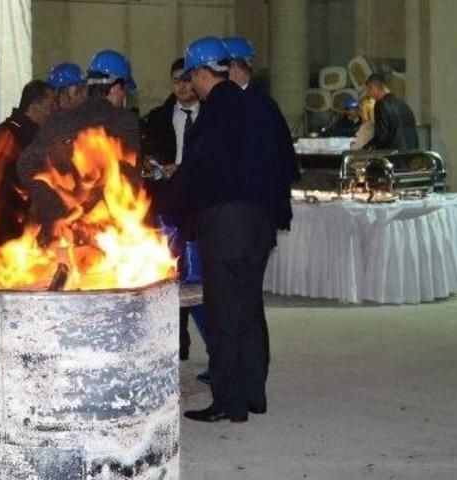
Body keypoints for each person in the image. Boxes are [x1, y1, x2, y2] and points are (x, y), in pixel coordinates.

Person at [179, 36, 298, 424]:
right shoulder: (259, 105)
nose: (190, 86)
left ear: (200, 72)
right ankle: (254, 394)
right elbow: (285, 164)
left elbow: (200, 174)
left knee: (223, 315)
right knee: (249, 309)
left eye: (191, 77)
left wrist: (169, 198)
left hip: (226, 227)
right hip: (260, 228)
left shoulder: (215, 112)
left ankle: (229, 403)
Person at [18, 49, 140, 246]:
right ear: (117, 87)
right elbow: (130, 186)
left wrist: (54, 204)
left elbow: (25, 165)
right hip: (104, 239)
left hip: (58, 237)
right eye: (124, 91)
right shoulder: (126, 123)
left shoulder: (57, 120)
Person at [140, 57, 210, 375]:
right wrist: (156, 167)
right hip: (167, 210)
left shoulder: (213, 118)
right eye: (176, 81)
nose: (182, 86)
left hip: (202, 208)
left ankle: (216, 350)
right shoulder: (156, 119)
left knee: (199, 283)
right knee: (169, 278)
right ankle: (176, 344)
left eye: (186, 79)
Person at [0, 80, 56, 256]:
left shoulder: (0, 132)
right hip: (13, 239)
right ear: (34, 106)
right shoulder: (28, 140)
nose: (53, 110)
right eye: (50, 105)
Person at [364, 73, 418, 151]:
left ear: (374, 88)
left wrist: (366, 148)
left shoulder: (381, 104)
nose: (368, 94)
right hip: (412, 153)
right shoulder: (402, 103)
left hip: (394, 155)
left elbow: (381, 137)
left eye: (369, 90)